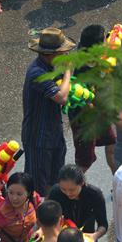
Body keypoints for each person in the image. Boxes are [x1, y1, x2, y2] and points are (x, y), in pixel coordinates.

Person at [22, 27, 76, 195]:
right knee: (38, 187)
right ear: (51, 54)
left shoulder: (51, 67)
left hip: (53, 133)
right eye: (63, 52)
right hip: (38, 137)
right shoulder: (37, 72)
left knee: (56, 182)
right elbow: (61, 97)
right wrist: (67, 72)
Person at [47, 165, 109, 242]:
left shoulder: (95, 195)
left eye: (72, 190)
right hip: (62, 239)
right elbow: (47, 217)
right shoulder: (56, 192)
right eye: (63, 189)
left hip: (87, 238)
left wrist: (95, 236)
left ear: (82, 183)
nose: (68, 193)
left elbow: (103, 224)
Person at [0, 172, 40, 242]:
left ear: (28, 193)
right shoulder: (1, 212)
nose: (14, 198)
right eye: (11, 192)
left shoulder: (34, 199)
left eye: (19, 194)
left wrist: (41, 230)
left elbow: (43, 218)